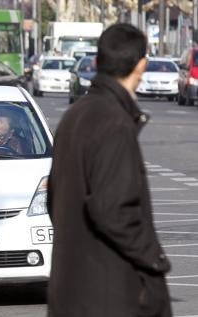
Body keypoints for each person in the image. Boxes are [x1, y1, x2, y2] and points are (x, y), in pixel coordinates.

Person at [47, 23, 171, 317]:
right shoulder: (113, 121)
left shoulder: (75, 115)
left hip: (73, 291)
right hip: (111, 295)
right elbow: (113, 209)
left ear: (98, 61)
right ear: (141, 65)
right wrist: (154, 259)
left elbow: (54, 199)